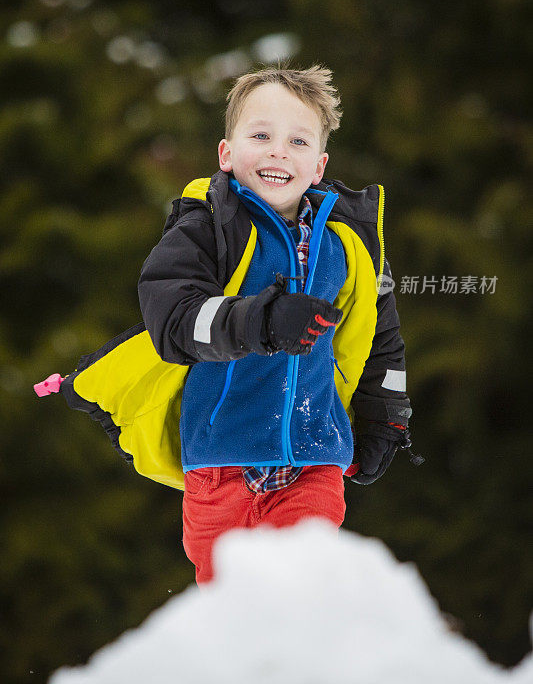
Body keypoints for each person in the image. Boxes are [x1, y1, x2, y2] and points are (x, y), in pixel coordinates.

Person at [135, 62, 422, 586]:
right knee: (233, 614)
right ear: (226, 153)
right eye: (260, 135)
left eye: (297, 141)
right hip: (222, 465)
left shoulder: (348, 249)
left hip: (314, 462)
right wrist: (259, 321)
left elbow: (381, 340)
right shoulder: (206, 228)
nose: (278, 151)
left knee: (302, 593)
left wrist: (386, 415)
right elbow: (173, 317)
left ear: (319, 165)